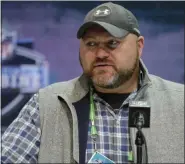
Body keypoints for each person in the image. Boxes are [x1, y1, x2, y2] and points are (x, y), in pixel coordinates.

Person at [1, 2, 184, 164]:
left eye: (112, 43)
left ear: (139, 46)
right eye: (91, 44)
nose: (100, 54)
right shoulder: (47, 105)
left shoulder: (180, 103)